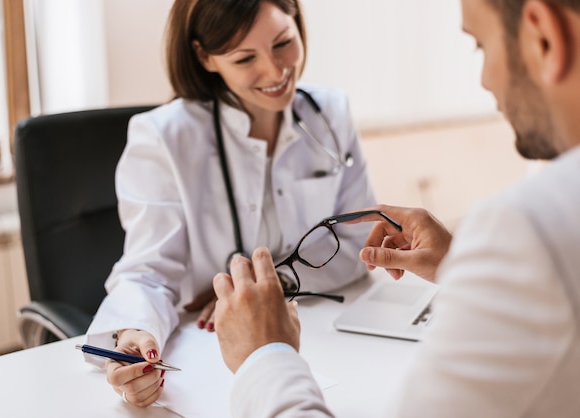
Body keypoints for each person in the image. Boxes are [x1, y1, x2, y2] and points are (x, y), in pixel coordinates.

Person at [213, 0, 580, 416]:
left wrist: (265, 355)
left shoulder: (529, 230)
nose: (484, 81)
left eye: (480, 46)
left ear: (543, 35)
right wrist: (463, 265)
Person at [84, 0, 377, 408]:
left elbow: (359, 244)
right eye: (244, 58)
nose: (276, 72)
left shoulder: (330, 113)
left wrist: (272, 286)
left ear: (296, 22)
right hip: (206, 347)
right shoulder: (163, 137)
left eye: (283, 43)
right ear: (205, 56)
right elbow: (148, 274)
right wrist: (133, 336)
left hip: (324, 337)